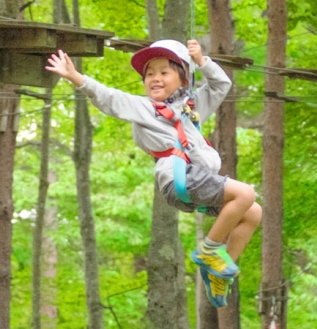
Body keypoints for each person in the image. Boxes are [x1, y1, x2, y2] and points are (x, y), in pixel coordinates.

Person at [46, 39, 262, 308]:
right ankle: (209, 251)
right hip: (180, 177)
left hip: (195, 181)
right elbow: (109, 97)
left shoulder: (191, 108)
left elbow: (221, 85)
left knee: (253, 212)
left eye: (164, 72)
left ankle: (219, 272)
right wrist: (76, 77)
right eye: (149, 74)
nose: (155, 78)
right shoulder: (145, 109)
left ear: (184, 79)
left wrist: (202, 61)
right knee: (245, 193)